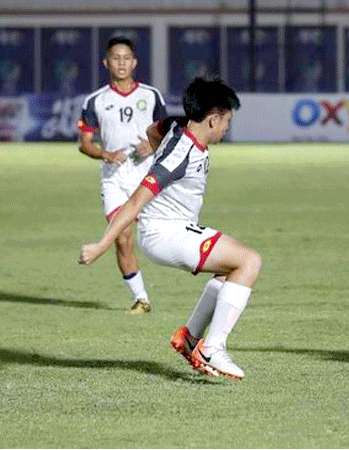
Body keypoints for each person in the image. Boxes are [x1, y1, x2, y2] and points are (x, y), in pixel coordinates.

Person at [79, 78, 261, 380]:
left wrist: (152, 147)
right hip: (165, 234)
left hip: (177, 228)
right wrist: (101, 246)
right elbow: (134, 203)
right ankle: (212, 348)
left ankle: (189, 338)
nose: (227, 128)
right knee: (249, 261)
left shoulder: (177, 124)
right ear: (213, 119)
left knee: (231, 270)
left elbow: (154, 130)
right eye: (227, 121)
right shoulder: (180, 155)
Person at [77, 36, 168, 314]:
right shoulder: (95, 100)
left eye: (126, 58)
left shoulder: (151, 96)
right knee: (122, 237)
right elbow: (85, 144)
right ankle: (141, 299)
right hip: (114, 179)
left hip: (147, 176)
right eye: (116, 58)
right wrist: (105, 154)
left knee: (161, 237)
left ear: (135, 62)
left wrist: (152, 145)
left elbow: (168, 134)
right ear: (106, 63)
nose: (121, 63)